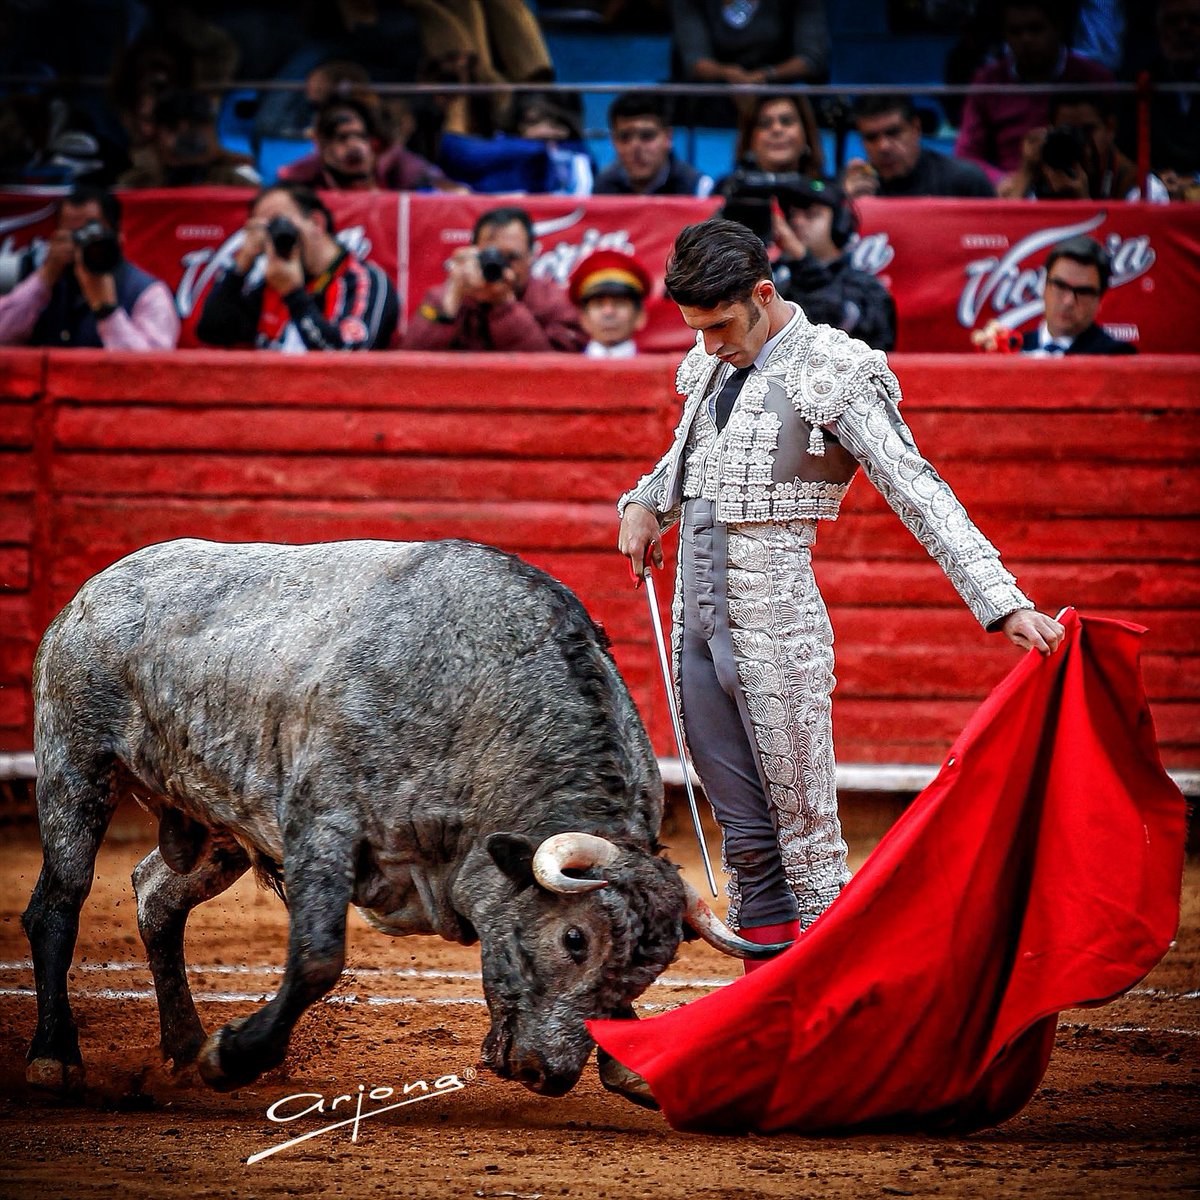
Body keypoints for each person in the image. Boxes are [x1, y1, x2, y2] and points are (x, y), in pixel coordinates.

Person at [615, 217, 1064, 957]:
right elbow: (686, 463)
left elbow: (917, 488)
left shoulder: (833, 368)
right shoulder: (707, 369)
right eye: (697, 330)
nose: (709, 346)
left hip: (777, 630)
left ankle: (832, 1026)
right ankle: (769, 1009)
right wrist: (643, 501)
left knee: (810, 847)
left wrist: (1002, 599)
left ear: (764, 294)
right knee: (747, 842)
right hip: (693, 627)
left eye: (721, 325)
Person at [195, 183, 398, 352]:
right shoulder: (272, 282)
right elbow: (212, 332)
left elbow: (347, 354)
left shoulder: (363, 279)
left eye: (279, 223)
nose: (273, 236)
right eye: (263, 228)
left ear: (316, 222)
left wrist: (294, 295)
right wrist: (242, 264)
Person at [0, 186, 180, 350]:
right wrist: (45, 278)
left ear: (118, 235)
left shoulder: (148, 292)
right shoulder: (40, 283)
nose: (82, 243)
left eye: (91, 233)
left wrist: (108, 312)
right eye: (72, 234)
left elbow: (152, 371)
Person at [954, 0, 1114, 183]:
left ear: (1058, 27)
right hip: (1013, 193)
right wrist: (1007, 181)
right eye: (1015, 31)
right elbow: (966, 155)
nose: (1026, 40)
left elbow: (1117, 147)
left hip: (1086, 183)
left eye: (1035, 29)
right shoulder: (987, 82)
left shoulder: (1095, 79)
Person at [402, 206, 585, 352]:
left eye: (511, 257)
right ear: (472, 252)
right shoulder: (451, 296)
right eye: (491, 256)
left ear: (532, 256)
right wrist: (449, 299)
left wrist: (504, 306)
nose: (500, 266)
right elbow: (408, 363)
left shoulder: (553, 304)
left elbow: (551, 376)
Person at [770, 179, 896, 352]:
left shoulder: (865, 287)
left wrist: (802, 260)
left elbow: (845, 332)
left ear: (840, 223)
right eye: (791, 216)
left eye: (810, 215)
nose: (797, 223)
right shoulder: (773, 278)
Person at [277, 95, 459, 192]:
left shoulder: (394, 164)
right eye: (343, 138)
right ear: (322, 145)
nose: (355, 146)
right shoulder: (304, 175)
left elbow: (449, 189)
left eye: (361, 137)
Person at [843, 94, 995, 199]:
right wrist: (848, 205)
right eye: (871, 137)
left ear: (916, 128)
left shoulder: (964, 182)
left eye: (893, 133)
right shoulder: (852, 188)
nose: (883, 146)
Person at [999, 92, 1147, 198]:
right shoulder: (1039, 172)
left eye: (1087, 130)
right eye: (1069, 131)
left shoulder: (1137, 183)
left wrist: (1081, 202)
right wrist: (1026, 172)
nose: (1081, 141)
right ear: (1051, 130)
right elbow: (1005, 236)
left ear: (1110, 128)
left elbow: (1136, 239)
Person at [117, 89, 260, 189]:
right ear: (158, 131)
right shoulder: (136, 183)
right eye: (172, 127)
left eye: (196, 126)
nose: (185, 135)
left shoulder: (235, 181)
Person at [1021, 235, 1137, 355]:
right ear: (1044, 286)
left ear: (1099, 300)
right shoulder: (1013, 349)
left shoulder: (1115, 357)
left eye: (1083, 292)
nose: (1068, 301)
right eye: (1060, 286)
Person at [592, 93, 714, 197]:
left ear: (668, 137)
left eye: (647, 135)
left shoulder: (697, 188)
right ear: (614, 141)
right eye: (625, 137)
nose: (635, 146)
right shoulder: (601, 188)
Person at [568, 248, 652, 358]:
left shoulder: (667, 373)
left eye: (619, 303)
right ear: (584, 319)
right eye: (598, 304)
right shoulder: (559, 373)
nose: (608, 312)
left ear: (640, 316)